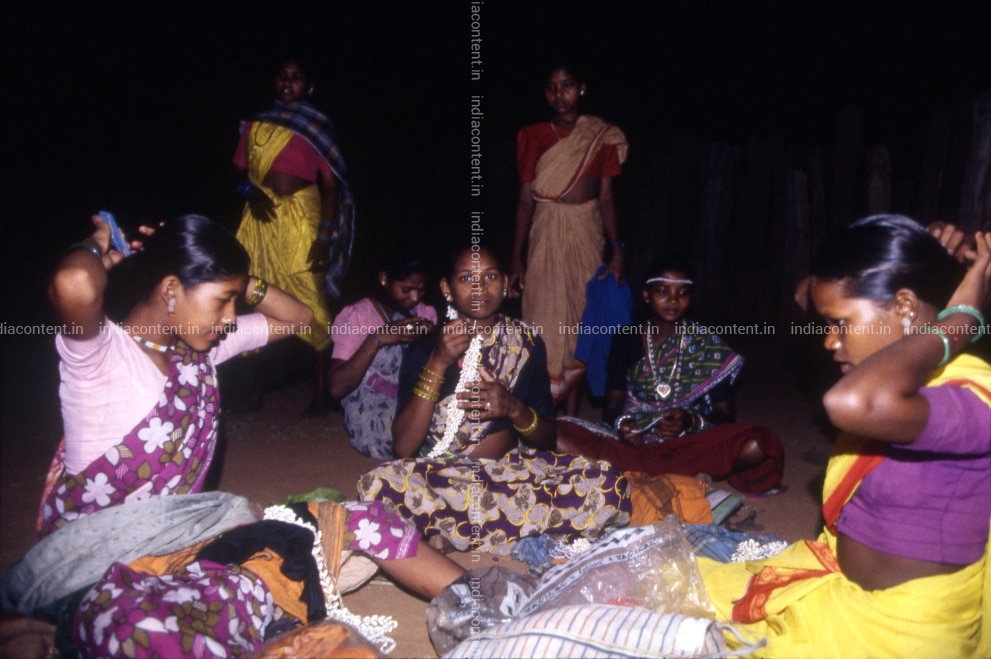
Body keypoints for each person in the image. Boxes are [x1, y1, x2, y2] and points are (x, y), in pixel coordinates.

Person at [3, 214, 463, 657]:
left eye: (233, 300)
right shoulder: (101, 359)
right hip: (101, 575)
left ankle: (481, 606)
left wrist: (236, 278)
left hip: (190, 550)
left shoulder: (200, 353)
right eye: (222, 300)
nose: (229, 317)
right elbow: (73, 282)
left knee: (366, 519)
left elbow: (298, 318)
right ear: (170, 290)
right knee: (146, 627)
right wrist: (97, 244)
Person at [699, 216, 991, 657]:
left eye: (839, 324)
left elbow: (852, 402)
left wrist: (962, 317)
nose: (829, 341)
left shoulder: (968, 399)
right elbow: (807, 291)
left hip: (899, 638)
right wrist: (915, 250)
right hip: (839, 598)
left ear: (905, 307)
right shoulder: (901, 382)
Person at [358, 246, 631, 553]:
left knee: (609, 486)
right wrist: (437, 362)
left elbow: (545, 438)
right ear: (447, 289)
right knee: (379, 485)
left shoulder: (527, 345)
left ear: (504, 283)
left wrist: (513, 408)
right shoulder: (426, 347)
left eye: (489, 277)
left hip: (505, 475)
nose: (479, 287)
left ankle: (453, 528)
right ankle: (493, 527)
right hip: (438, 478)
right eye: (466, 278)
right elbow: (404, 447)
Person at [556, 257, 785, 494]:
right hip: (636, 444)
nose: (673, 300)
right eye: (663, 291)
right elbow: (612, 408)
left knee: (760, 444)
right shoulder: (626, 338)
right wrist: (625, 426)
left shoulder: (706, 344)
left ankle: (639, 474)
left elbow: (725, 418)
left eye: (682, 293)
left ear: (691, 298)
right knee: (557, 430)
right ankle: (682, 476)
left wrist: (689, 421)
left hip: (688, 444)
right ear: (646, 295)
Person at [233, 56, 355, 416]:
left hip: (302, 218)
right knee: (252, 295)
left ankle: (321, 394)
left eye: (297, 77)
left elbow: (331, 187)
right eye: (282, 76)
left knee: (312, 300)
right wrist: (248, 191)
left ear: (309, 85)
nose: (288, 82)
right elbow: (238, 171)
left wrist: (324, 237)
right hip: (260, 220)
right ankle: (253, 391)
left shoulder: (316, 127)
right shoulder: (254, 124)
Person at [508, 64, 628, 414]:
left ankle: (572, 419)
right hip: (545, 231)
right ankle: (541, 416)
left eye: (567, 85)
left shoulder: (602, 136)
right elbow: (524, 201)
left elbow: (606, 198)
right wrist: (516, 258)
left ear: (582, 87)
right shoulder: (531, 135)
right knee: (543, 319)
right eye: (551, 87)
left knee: (580, 320)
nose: (559, 94)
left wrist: (617, 251)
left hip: (585, 231)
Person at [328, 256, 437, 459]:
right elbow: (336, 388)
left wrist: (431, 337)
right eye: (406, 289)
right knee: (424, 443)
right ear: (384, 279)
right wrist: (377, 338)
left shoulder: (425, 313)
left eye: (421, 289)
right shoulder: (357, 315)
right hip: (372, 412)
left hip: (414, 405)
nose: (415, 298)